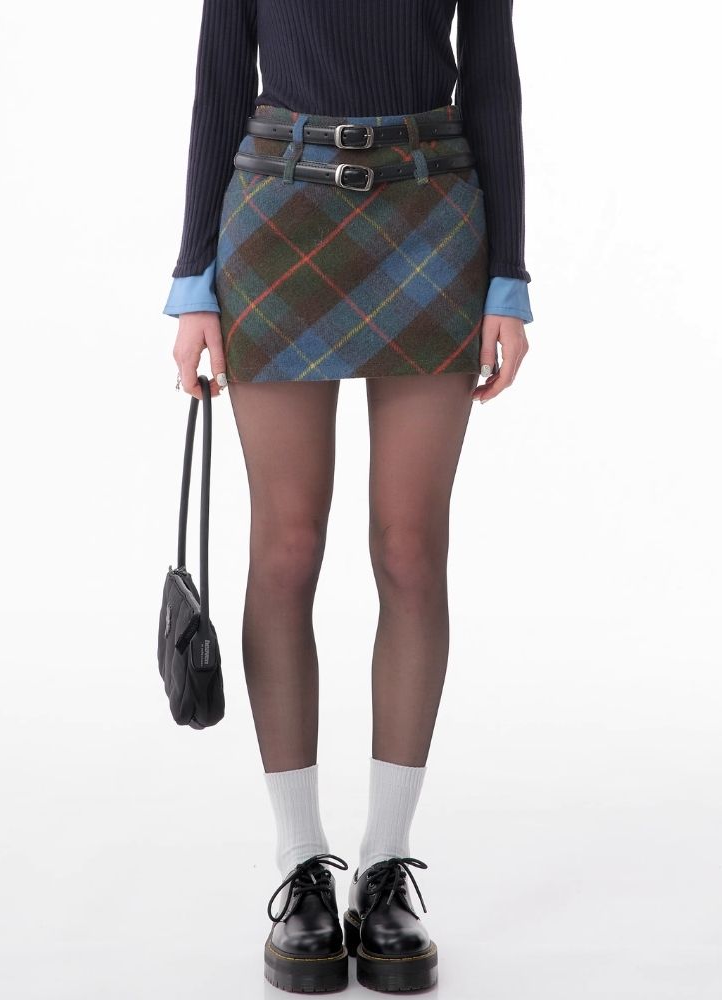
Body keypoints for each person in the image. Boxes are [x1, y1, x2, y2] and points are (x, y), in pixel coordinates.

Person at [162, 0, 532, 992]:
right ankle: (299, 866)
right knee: (286, 550)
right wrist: (195, 278)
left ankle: (386, 866)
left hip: (433, 211)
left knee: (410, 550)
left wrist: (508, 276)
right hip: (277, 209)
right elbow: (220, 81)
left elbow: (491, 79)